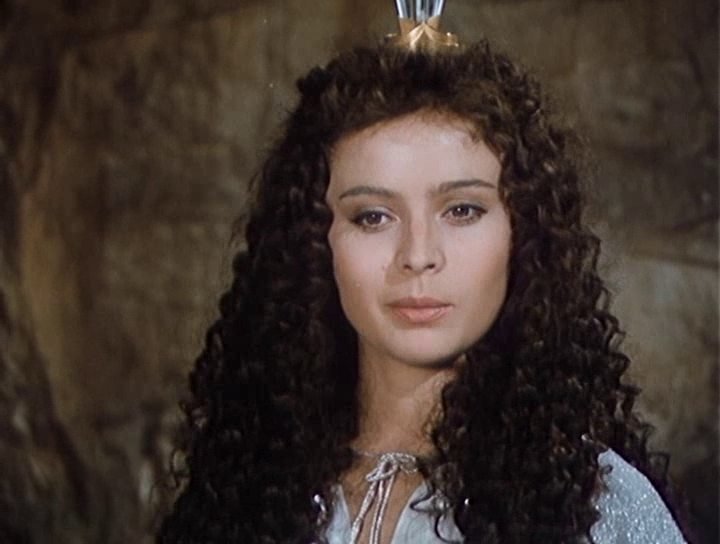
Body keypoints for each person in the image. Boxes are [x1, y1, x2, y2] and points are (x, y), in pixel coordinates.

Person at [157, 5, 689, 543]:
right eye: (373, 217)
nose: (418, 255)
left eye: (462, 210)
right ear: (316, 242)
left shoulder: (599, 506)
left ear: (522, 233)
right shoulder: (240, 493)